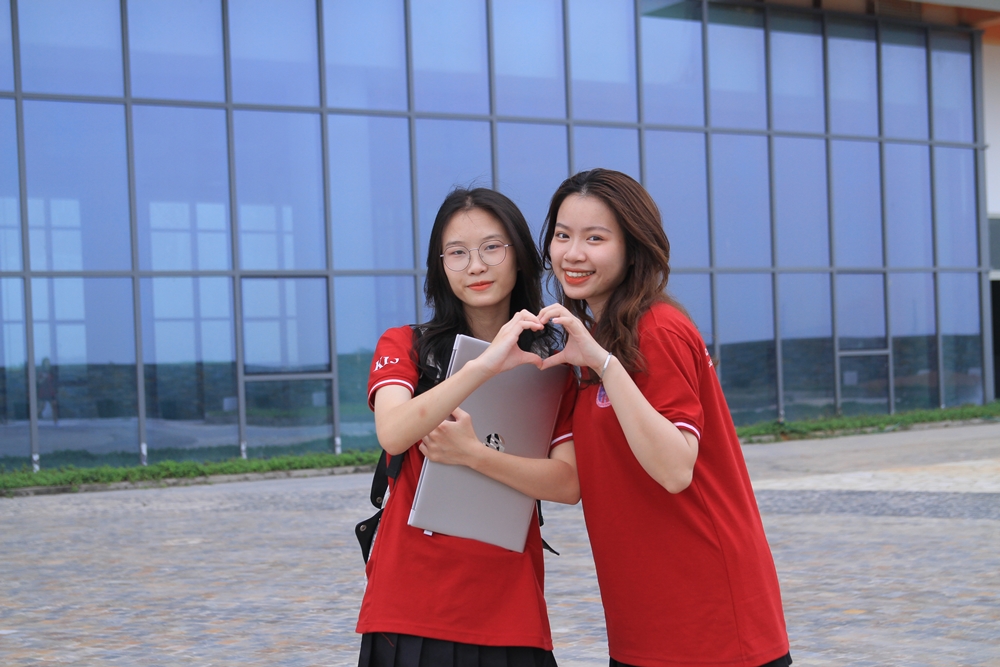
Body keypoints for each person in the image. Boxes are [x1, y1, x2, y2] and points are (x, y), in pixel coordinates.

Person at [536, 169, 791, 667]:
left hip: (710, 620)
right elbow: (570, 482)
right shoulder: (592, 344)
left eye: (595, 238)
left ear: (633, 248)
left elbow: (675, 469)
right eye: (562, 236)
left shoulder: (657, 330)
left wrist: (606, 366)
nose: (573, 253)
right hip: (644, 620)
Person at [357, 187, 579, 667]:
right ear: (440, 267)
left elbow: (568, 483)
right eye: (457, 253)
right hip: (411, 603)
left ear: (519, 255)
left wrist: (474, 454)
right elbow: (394, 431)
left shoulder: (552, 364)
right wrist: (485, 364)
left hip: (510, 602)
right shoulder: (406, 345)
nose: (476, 266)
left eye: (491, 248)